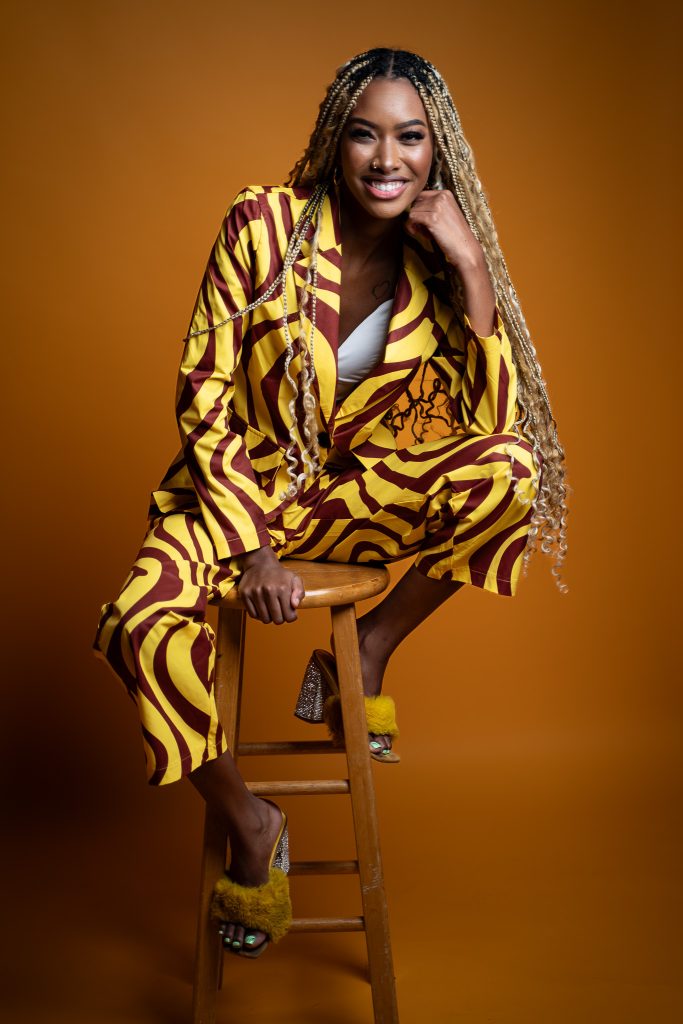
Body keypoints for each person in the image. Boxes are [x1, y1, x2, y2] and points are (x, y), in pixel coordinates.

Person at [93, 46, 569, 959]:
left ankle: (368, 656)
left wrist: (470, 266)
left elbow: (491, 422)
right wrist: (248, 554)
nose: (385, 159)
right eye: (364, 134)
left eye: (409, 138)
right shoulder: (260, 226)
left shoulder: (435, 266)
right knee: (135, 623)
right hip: (236, 491)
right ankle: (251, 821)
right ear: (332, 141)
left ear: (437, 154)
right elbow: (206, 389)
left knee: (515, 472)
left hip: (346, 499)